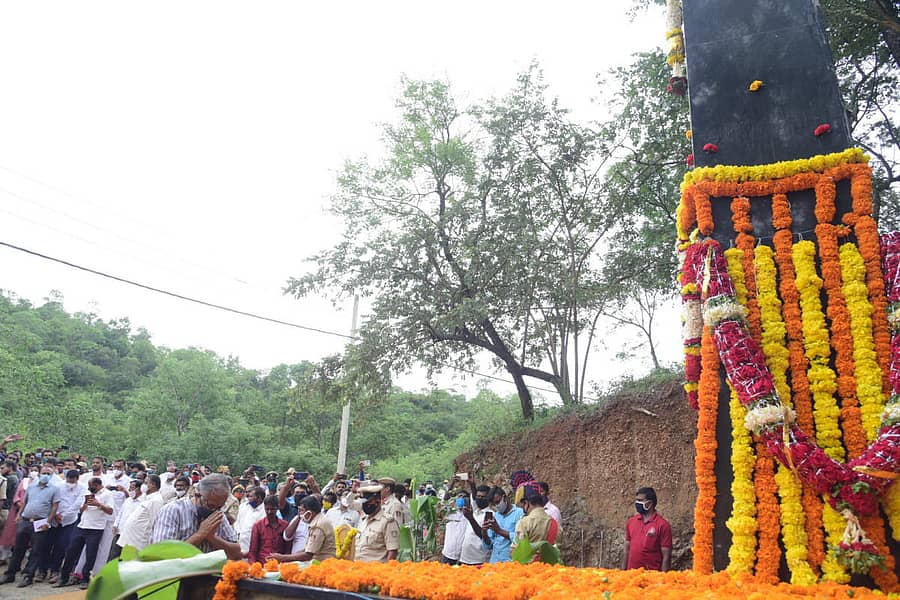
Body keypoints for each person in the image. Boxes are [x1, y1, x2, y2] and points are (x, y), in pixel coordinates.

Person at [149, 473, 242, 560]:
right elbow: (161, 556)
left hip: (209, 575)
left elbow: (237, 554)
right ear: (197, 495)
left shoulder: (218, 514)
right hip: (178, 576)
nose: (214, 510)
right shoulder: (172, 510)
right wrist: (199, 535)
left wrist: (212, 537)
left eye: (220, 507)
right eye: (211, 505)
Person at [1, 465, 60, 587]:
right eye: (43, 473)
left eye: (48, 474)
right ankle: (10, 574)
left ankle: (28, 576)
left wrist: (48, 522)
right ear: (39, 473)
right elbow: (25, 501)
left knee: (36, 551)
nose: (45, 475)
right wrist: (19, 515)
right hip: (26, 521)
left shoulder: (55, 489)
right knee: (18, 549)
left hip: (40, 522)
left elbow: (55, 506)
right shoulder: (32, 486)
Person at [55, 477, 113, 590]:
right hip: (82, 525)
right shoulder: (88, 493)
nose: (89, 488)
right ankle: (64, 578)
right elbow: (80, 510)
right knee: (71, 551)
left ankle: (85, 579)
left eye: (91, 486)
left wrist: (98, 504)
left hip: (95, 528)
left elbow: (110, 511)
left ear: (97, 485)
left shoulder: (107, 494)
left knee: (90, 554)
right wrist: (85, 505)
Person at [268, 495, 335, 562]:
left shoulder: (317, 525)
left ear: (309, 512)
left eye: (301, 510)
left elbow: (308, 555)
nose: (299, 514)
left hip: (323, 564)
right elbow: (307, 549)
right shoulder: (319, 520)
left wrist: (282, 557)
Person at [46, 469, 85, 584]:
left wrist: (63, 515)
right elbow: (54, 501)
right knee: (47, 544)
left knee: (61, 546)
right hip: (54, 518)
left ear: (77, 479)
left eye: (72, 480)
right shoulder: (58, 486)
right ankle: (43, 570)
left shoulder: (82, 488)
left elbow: (77, 504)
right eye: (68, 480)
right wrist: (56, 514)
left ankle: (55, 571)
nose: (70, 482)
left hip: (70, 520)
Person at [621, 487, 672, 572]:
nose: (637, 503)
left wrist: (663, 579)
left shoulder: (663, 525)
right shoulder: (631, 522)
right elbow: (627, 549)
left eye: (640, 500)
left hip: (652, 577)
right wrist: (622, 571)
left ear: (650, 503)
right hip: (631, 576)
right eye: (636, 500)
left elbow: (666, 556)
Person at [118, 474, 164, 551]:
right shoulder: (147, 498)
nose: (143, 485)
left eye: (146, 483)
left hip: (138, 542)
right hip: (130, 540)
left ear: (153, 485)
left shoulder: (156, 500)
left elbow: (154, 522)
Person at [354, 483, 399, 562]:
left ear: (377, 501)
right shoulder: (363, 520)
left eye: (368, 502)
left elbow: (392, 551)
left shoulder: (387, 521)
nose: (365, 505)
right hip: (359, 569)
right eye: (363, 503)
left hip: (376, 570)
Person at [482, 486, 524, 563]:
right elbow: (489, 545)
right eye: (493, 504)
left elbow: (521, 538)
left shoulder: (520, 514)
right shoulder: (496, 516)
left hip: (510, 563)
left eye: (497, 502)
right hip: (494, 562)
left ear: (504, 498)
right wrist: (484, 532)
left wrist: (499, 531)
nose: (496, 506)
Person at [513, 482, 559, 550]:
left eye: (522, 506)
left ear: (526, 503)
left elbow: (514, 551)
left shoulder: (524, 523)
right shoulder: (556, 525)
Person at [247, 496, 287, 564]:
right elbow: (253, 551)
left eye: (272, 509)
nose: (269, 512)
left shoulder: (285, 525)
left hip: (280, 566)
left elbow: (288, 549)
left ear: (277, 508)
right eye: (267, 509)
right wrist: (254, 567)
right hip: (262, 565)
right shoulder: (258, 526)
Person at [459, 483, 492, 566]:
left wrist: (471, 519)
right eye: (478, 496)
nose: (480, 499)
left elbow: (485, 537)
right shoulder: (474, 511)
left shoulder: (490, 514)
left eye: (483, 497)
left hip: (479, 560)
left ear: (489, 498)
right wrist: (472, 484)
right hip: (465, 558)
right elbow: (473, 497)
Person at [235, 487, 265, 555]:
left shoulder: (265, 510)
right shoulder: (243, 506)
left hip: (255, 547)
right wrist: (238, 532)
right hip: (240, 544)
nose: (248, 498)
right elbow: (237, 521)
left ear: (259, 498)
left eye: (251, 496)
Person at [439, 493, 466, 565]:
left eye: (464, 497)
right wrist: (452, 484)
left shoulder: (470, 515)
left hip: (463, 555)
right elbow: (443, 503)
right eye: (460, 497)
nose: (462, 499)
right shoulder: (450, 513)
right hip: (448, 552)